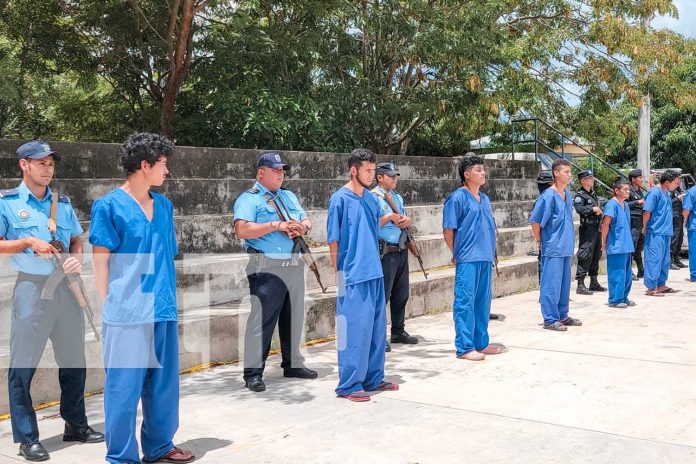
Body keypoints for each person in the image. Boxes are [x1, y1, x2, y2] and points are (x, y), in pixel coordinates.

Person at [90, 133, 195, 464]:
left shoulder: (164, 206)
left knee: (163, 386)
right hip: (127, 312)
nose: (168, 171)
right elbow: (100, 259)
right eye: (163, 164)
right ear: (144, 165)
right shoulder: (108, 206)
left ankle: (160, 445)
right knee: (123, 389)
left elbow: (166, 254)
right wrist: (110, 303)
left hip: (162, 307)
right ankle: (121, 456)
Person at [0, 140, 104, 462]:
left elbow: (75, 238)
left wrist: (76, 260)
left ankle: (76, 424)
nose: (48, 168)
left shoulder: (62, 203)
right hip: (31, 290)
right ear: (24, 165)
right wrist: (28, 241)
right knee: (23, 366)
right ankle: (27, 438)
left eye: (51, 163)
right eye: (41, 162)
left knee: (73, 360)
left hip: (65, 286)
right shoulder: (7, 202)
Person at [233, 152, 318, 392]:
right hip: (267, 267)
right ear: (261, 173)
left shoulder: (288, 196)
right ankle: (253, 372)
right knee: (262, 321)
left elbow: (306, 218)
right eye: (275, 170)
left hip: (292, 263)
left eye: (282, 170)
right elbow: (242, 230)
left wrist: (302, 226)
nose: (281, 174)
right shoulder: (250, 199)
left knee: (293, 317)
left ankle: (292, 363)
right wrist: (276, 225)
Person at [327, 148, 399, 402]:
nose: (372, 174)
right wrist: (338, 271)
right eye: (367, 170)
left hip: (374, 270)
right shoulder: (339, 199)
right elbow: (333, 239)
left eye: (373, 170)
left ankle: (373, 378)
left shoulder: (370, 199)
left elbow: (372, 226)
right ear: (353, 169)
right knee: (354, 329)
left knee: (377, 328)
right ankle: (349, 384)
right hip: (352, 273)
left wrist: (393, 219)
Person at [443, 155, 504, 360]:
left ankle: (481, 342)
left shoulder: (484, 199)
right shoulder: (457, 198)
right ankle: (465, 347)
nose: (483, 172)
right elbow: (448, 230)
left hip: (485, 257)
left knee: (482, 303)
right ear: (467, 175)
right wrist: (456, 253)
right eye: (478, 170)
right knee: (465, 302)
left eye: (483, 169)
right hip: (467, 258)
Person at [529, 159, 582, 331]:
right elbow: (536, 221)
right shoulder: (548, 196)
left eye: (569, 172)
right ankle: (550, 319)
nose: (569, 175)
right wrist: (540, 241)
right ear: (556, 173)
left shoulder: (567, 195)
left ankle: (562, 315)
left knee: (564, 284)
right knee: (551, 283)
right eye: (566, 172)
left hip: (565, 246)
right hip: (553, 246)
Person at [371, 162, 418, 352]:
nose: (394, 179)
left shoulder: (396, 197)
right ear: (379, 176)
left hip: (400, 250)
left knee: (401, 294)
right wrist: (388, 218)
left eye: (396, 176)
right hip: (385, 252)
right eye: (390, 175)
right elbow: (371, 224)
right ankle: (379, 336)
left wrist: (406, 219)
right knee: (382, 296)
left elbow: (404, 216)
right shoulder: (373, 197)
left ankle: (398, 330)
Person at [642, 169, 680, 296]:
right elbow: (647, 211)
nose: (677, 185)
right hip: (655, 232)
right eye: (675, 182)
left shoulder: (666, 193)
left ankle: (661, 284)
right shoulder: (655, 192)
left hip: (665, 232)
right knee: (654, 259)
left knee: (665, 260)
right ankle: (651, 288)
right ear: (667, 182)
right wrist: (644, 226)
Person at [601, 179, 635, 308]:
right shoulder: (612, 205)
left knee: (627, 275)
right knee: (617, 273)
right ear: (616, 190)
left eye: (628, 189)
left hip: (626, 245)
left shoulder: (625, 205)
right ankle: (615, 299)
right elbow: (606, 225)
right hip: (616, 245)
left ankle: (624, 297)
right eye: (625, 189)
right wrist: (603, 242)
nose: (628, 191)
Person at [573, 170, 606, 295]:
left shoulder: (593, 194)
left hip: (596, 227)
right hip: (587, 228)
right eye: (589, 178)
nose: (592, 180)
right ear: (583, 180)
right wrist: (593, 209)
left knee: (596, 254)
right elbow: (579, 209)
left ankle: (594, 281)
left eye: (592, 177)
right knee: (585, 253)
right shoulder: (579, 196)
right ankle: (580, 284)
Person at [626, 169, 646, 280]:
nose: (641, 180)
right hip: (633, 221)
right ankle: (629, 271)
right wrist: (638, 202)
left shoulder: (639, 191)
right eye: (639, 178)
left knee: (639, 247)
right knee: (632, 247)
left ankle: (641, 269)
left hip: (641, 221)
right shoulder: (628, 191)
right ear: (633, 179)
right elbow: (624, 204)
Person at [669, 176, 686, 270]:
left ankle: (676, 258)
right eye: (678, 179)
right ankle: (670, 260)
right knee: (674, 237)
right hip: (674, 216)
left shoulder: (678, 189)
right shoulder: (670, 191)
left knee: (680, 237)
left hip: (680, 215)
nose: (679, 181)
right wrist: (678, 198)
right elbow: (668, 203)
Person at [682, 180, 696, 283]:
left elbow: (686, 210)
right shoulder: (692, 191)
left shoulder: (692, 191)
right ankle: (694, 274)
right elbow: (686, 210)